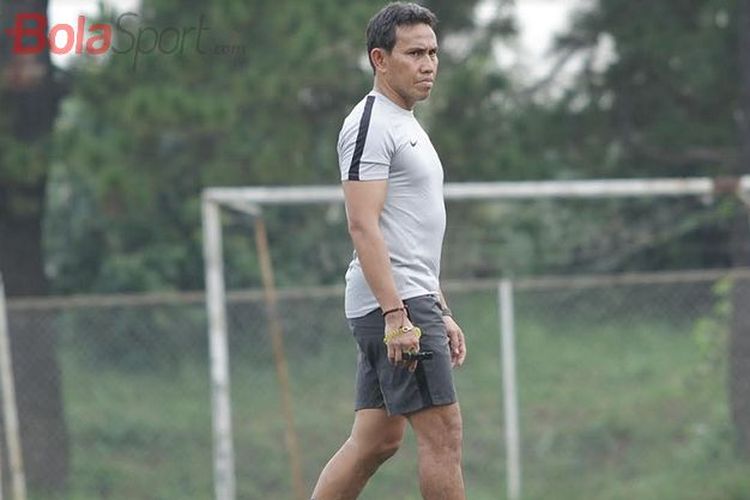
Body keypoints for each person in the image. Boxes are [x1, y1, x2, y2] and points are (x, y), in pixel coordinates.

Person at [311, 3, 467, 499]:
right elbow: (363, 223)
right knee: (444, 436)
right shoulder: (370, 123)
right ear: (380, 58)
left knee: (376, 440)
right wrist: (398, 314)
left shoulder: (406, 123)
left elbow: (411, 231)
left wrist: (438, 307)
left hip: (410, 299)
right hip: (393, 304)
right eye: (414, 52)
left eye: (434, 53)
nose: (428, 64)